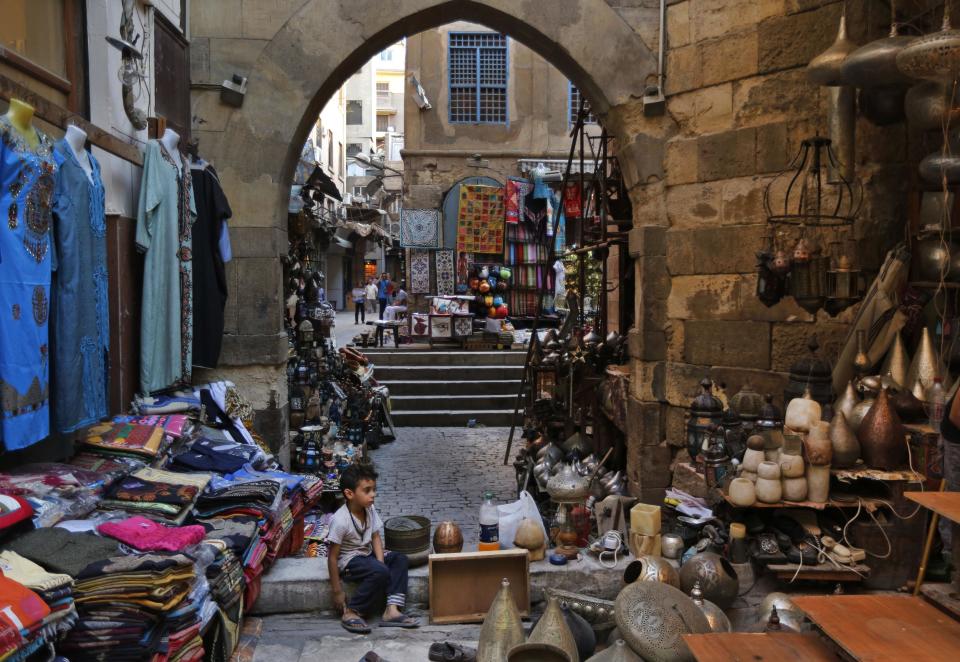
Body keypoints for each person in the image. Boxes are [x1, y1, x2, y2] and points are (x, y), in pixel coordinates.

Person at [327, 464, 419, 634]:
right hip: (350, 562)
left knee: (400, 559)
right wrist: (337, 591)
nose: (373, 495)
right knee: (380, 571)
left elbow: (376, 537)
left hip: (367, 555)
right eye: (367, 490)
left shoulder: (369, 509)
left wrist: (381, 563)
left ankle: (392, 610)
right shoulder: (340, 520)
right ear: (349, 494)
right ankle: (352, 611)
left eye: (374, 489)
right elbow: (332, 557)